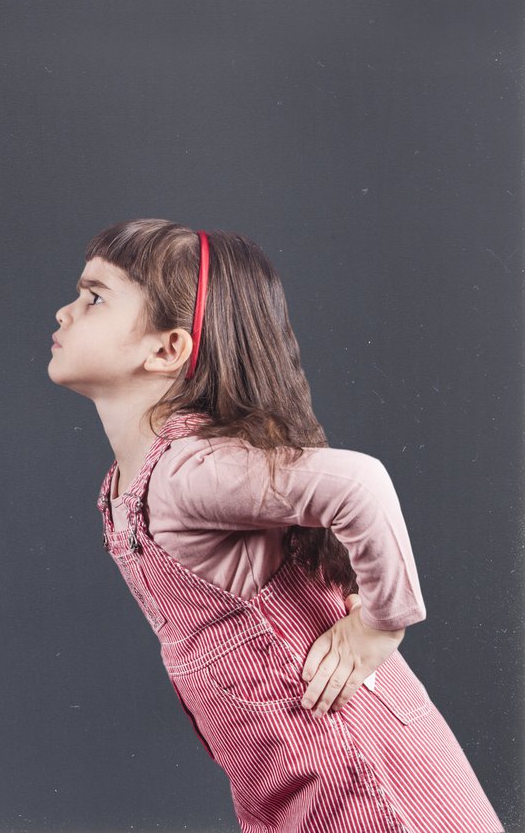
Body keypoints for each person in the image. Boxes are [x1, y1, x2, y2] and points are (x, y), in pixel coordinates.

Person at [47, 219, 502, 832]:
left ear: (167, 349)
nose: (65, 312)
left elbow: (359, 483)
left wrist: (380, 623)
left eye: (94, 298)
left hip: (364, 788)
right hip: (305, 783)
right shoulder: (135, 480)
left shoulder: (186, 472)